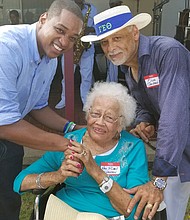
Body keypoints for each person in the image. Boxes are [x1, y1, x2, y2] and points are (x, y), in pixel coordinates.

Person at [81, 5, 190, 220]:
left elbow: (173, 116)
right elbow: (145, 104)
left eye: (117, 38)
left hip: (176, 140)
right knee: (170, 210)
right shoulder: (129, 66)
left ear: (135, 32)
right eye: (105, 42)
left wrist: (158, 180)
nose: (110, 48)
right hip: (179, 148)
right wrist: (145, 121)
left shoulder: (168, 52)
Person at [14, 81, 150, 220]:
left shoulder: (132, 148)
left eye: (109, 117)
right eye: (95, 114)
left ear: (121, 123)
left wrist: (95, 170)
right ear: (88, 113)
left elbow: (132, 210)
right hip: (64, 212)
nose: (99, 122)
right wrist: (58, 176)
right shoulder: (71, 141)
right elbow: (19, 182)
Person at [0, 0, 83, 219]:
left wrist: (72, 127)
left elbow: (38, 106)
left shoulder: (50, 58)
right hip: (6, 129)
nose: (64, 42)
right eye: (60, 30)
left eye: (72, 38)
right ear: (44, 18)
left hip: (9, 139)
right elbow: (5, 125)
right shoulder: (6, 47)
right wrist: (68, 144)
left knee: (8, 197)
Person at [55, 0, 97, 109]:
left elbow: (99, 27)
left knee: (86, 78)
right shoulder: (66, 8)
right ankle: (64, 99)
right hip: (69, 48)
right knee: (66, 77)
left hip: (87, 49)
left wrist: (90, 29)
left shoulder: (92, 9)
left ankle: (86, 102)